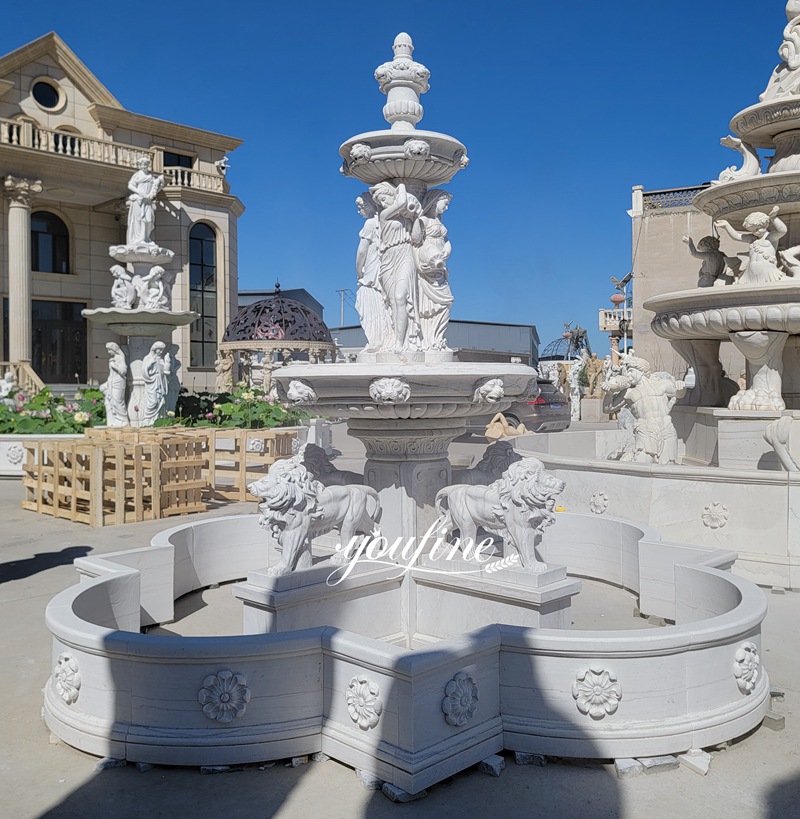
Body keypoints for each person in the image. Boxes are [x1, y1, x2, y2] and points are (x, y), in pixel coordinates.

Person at [369, 181, 423, 352]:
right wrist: (401, 187)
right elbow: (400, 203)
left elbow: (416, 239)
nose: (382, 203)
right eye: (379, 201)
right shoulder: (384, 215)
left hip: (405, 255)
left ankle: (401, 344)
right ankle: (394, 339)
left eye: (383, 198)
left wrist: (415, 218)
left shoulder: (405, 217)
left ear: (391, 195)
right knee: (392, 302)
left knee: (401, 297)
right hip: (388, 260)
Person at [601, 355, 684, 464]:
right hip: (645, 430)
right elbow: (607, 409)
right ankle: (625, 457)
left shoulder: (662, 384)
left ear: (641, 370)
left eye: (630, 371)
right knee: (642, 463)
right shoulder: (628, 392)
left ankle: (626, 455)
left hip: (666, 429)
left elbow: (679, 394)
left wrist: (681, 387)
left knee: (669, 466)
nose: (628, 375)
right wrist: (609, 393)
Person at [415, 189, 454, 351]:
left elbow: (446, 241)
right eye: (444, 204)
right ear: (434, 200)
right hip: (428, 267)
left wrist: (446, 251)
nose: (446, 208)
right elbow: (416, 242)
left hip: (440, 265)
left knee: (446, 302)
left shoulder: (440, 222)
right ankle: (426, 340)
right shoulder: (423, 220)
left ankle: (438, 338)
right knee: (427, 306)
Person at [354, 193, 390, 351]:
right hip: (384, 269)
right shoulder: (385, 223)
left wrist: (358, 270)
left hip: (371, 271)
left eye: (361, 207)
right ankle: (383, 338)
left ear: (369, 205)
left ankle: (375, 340)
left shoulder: (370, 223)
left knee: (368, 302)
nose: (359, 211)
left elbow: (362, 251)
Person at [715, 207, 787, 284]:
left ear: (765, 225)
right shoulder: (751, 238)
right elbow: (736, 236)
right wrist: (726, 225)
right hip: (750, 272)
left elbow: (783, 231)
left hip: (767, 270)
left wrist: (773, 218)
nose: (756, 232)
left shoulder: (771, 237)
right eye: (753, 230)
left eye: (758, 229)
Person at [126, 157, 164, 246]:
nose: (144, 166)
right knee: (140, 220)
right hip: (139, 201)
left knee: (149, 220)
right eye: (142, 165)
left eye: (145, 165)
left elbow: (154, 190)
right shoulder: (137, 175)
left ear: (148, 166)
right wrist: (140, 192)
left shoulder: (150, 177)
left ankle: (146, 237)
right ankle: (140, 239)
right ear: (140, 166)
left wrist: (161, 184)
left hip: (147, 202)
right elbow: (130, 185)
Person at [141, 341, 170, 425]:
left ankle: (157, 420)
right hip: (152, 382)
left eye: (162, 350)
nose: (161, 352)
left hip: (161, 383)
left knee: (159, 401)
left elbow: (164, 371)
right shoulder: (148, 358)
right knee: (152, 402)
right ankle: (147, 420)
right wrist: (150, 364)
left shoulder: (161, 359)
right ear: (155, 349)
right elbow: (144, 371)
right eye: (159, 350)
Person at [100, 342, 128, 427]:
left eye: (109, 350)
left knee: (118, 401)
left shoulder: (120, 357)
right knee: (112, 401)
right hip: (112, 381)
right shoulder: (113, 359)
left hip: (119, 382)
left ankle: (124, 420)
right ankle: (116, 420)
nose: (108, 352)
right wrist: (107, 384)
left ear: (114, 349)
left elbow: (123, 371)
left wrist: (114, 366)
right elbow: (111, 374)